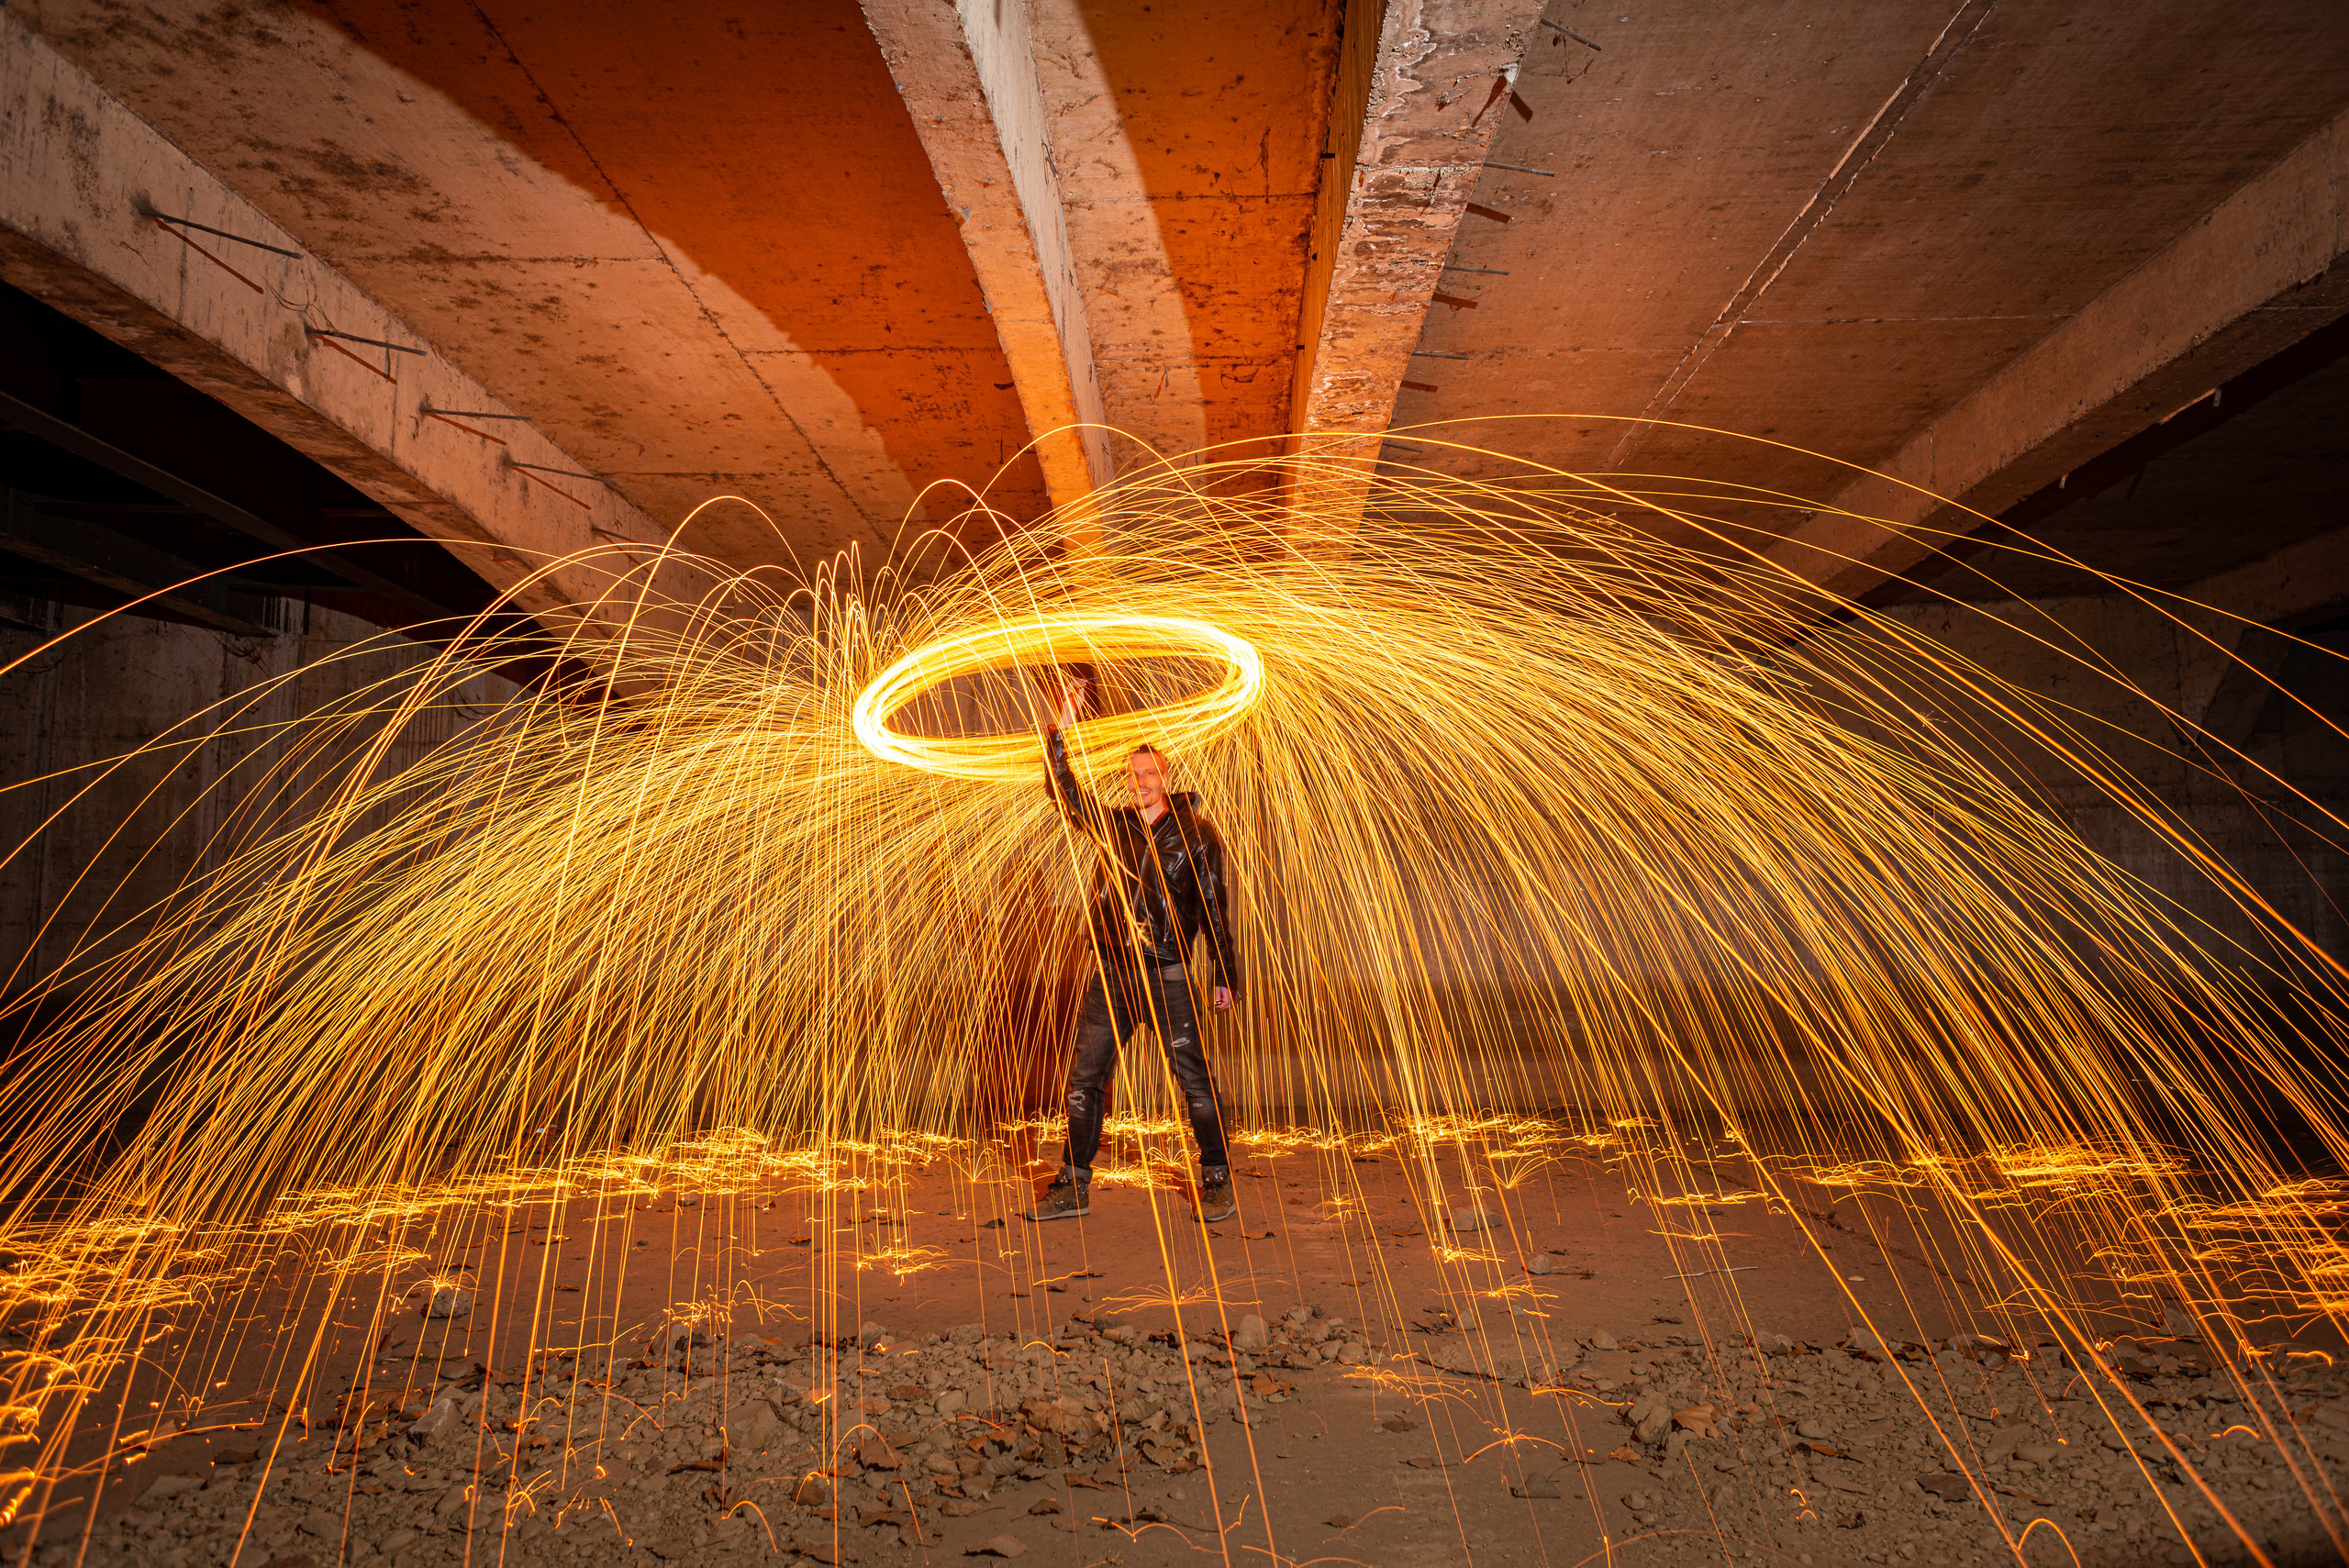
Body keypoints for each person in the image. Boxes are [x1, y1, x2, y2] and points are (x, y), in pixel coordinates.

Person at [1028, 674, 1241, 1224]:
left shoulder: (1196, 834)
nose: (1141, 782)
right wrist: (1061, 727)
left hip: (1168, 977)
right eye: (1133, 775)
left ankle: (1216, 1178)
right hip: (1112, 976)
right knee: (1084, 1080)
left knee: (1193, 1081)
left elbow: (1215, 909)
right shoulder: (1113, 828)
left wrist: (1224, 977)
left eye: (1151, 774)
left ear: (1167, 779)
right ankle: (1073, 1184)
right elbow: (1064, 792)